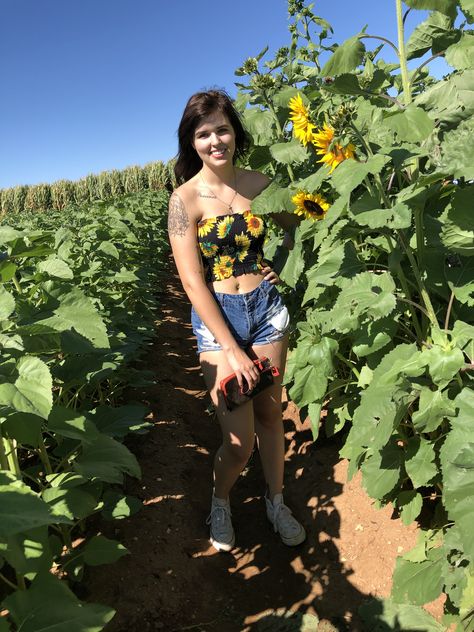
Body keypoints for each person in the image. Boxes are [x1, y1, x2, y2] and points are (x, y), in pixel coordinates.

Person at [167, 88, 306, 552]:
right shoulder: (183, 201)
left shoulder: (261, 185)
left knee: (271, 413)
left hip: (266, 310)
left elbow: (296, 229)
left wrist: (280, 265)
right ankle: (221, 499)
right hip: (216, 319)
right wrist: (230, 349)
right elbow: (191, 282)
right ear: (192, 142)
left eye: (222, 129)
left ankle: (276, 500)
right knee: (237, 439)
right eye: (203, 134)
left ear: (234, 132)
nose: (215, 141)